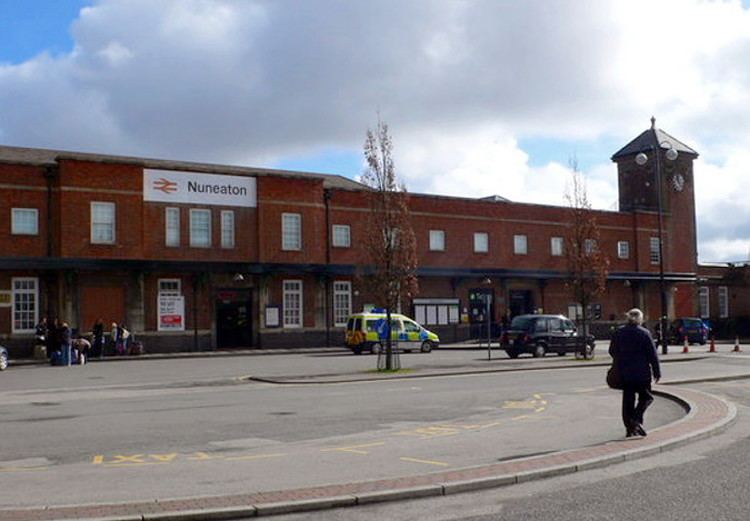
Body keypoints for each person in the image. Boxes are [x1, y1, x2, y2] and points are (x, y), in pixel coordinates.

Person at [609, 308, 661, 437]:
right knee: (646, 397)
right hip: (641, 373)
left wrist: (621, 359)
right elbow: (652, 355)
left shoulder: (619, 332)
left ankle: (630, 428)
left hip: (624, 372)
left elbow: (612, 351)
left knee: (628, 400)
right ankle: (636, 420)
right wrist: (657, 371)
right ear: (640, 319)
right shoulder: (644, 333)